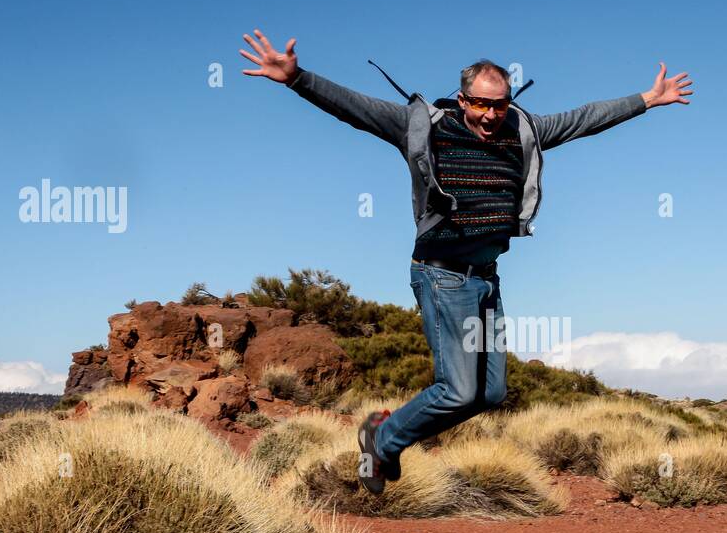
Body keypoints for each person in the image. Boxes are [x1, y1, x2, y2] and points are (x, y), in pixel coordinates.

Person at [240, 29, 693, 494]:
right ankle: (382, 438)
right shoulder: (425, 128)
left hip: (486, 281)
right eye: (481, 104)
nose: (491, 115)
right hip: (442, 275)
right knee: (457, 391)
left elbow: (584, 119)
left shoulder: (523, 130)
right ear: (462, 100)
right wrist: (298, 79)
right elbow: (357, 109)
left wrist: (646, 99)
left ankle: (385, 428)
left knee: (491, 393)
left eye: (499, 104)